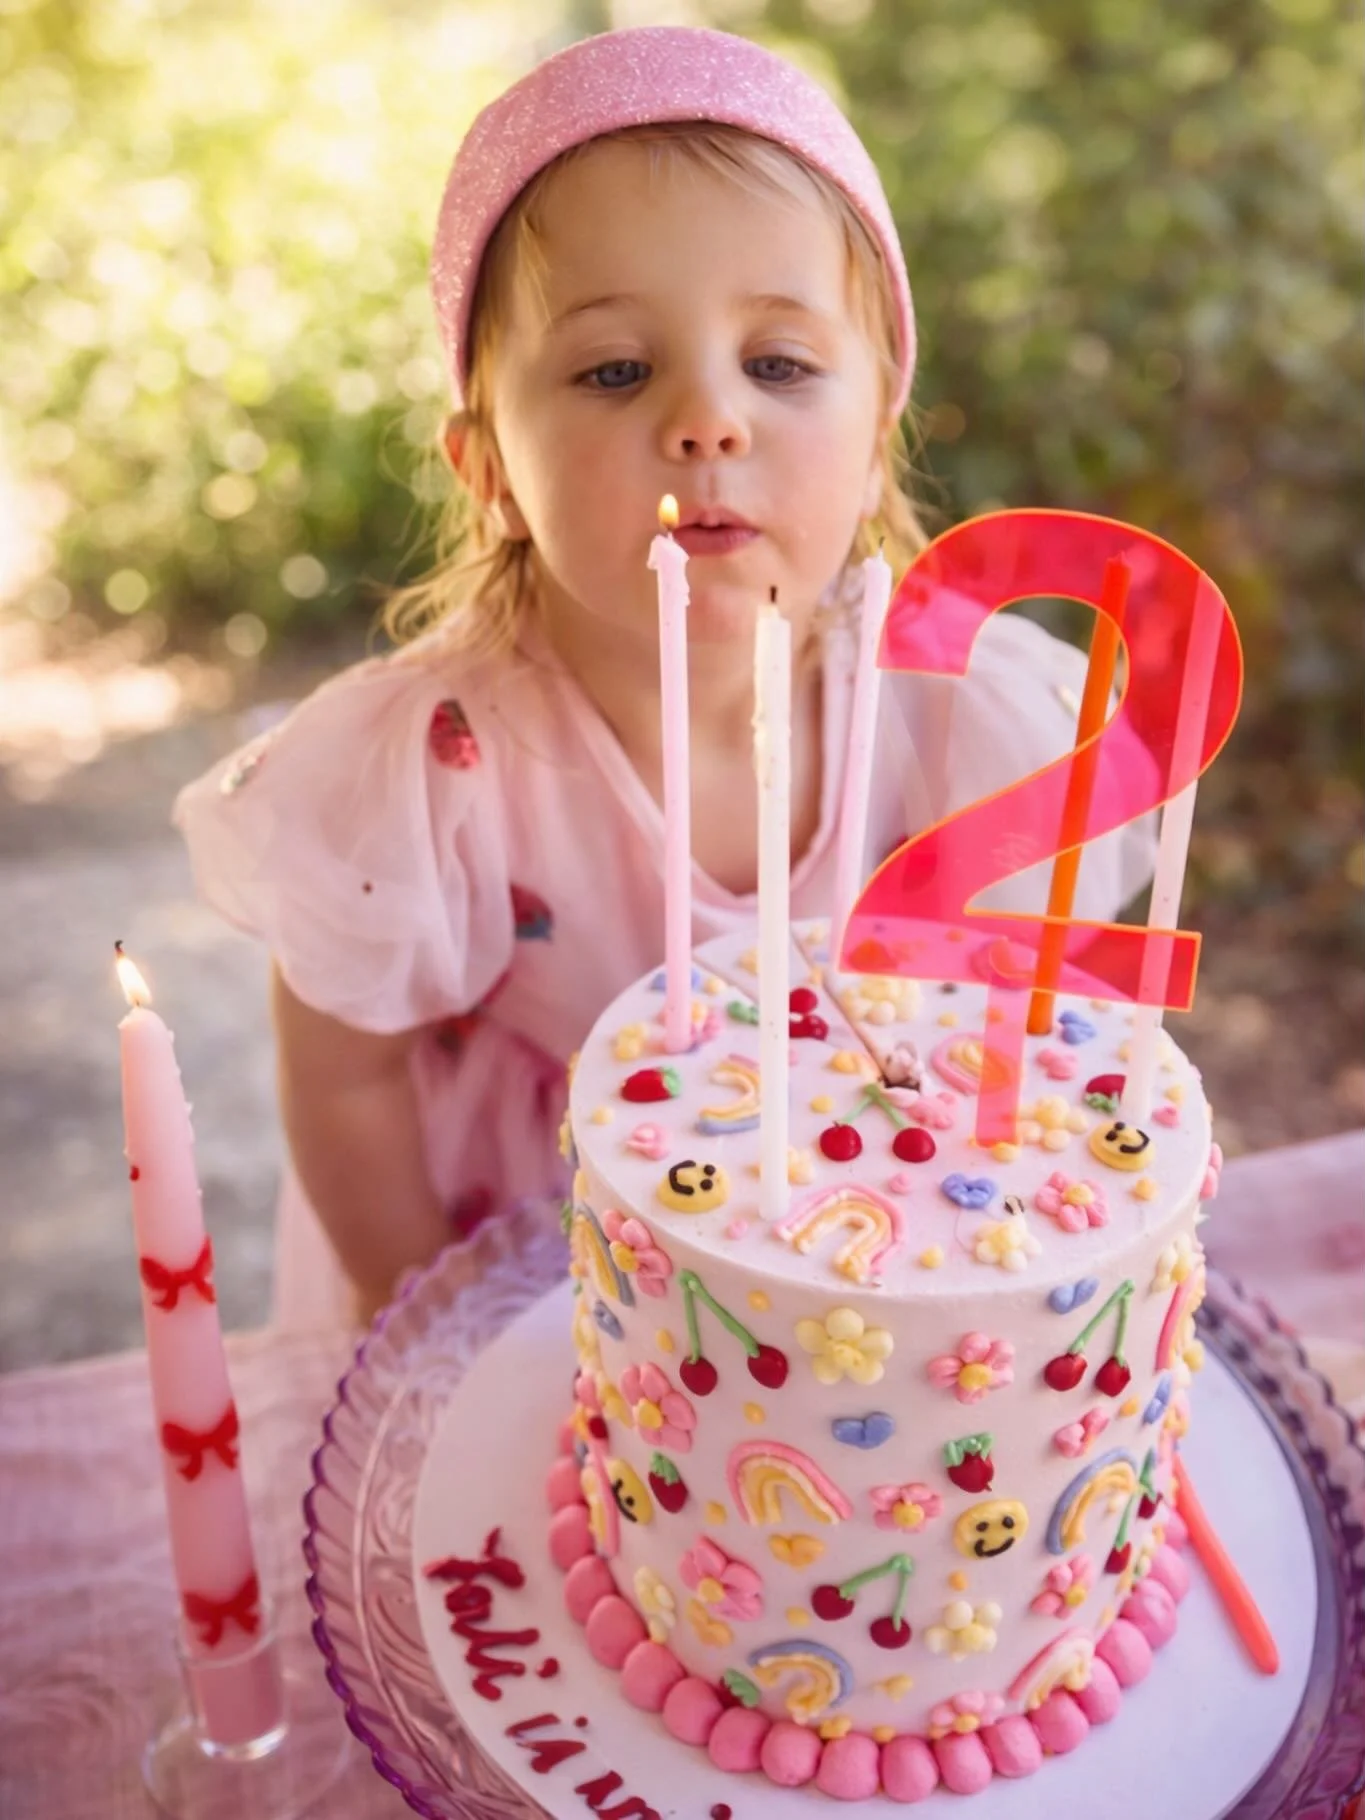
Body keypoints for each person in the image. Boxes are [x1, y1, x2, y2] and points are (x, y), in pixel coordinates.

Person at [175, 26, 1155, 1330]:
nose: (707, 420)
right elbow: (346, 1078)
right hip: (537, 1264)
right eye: (615, 370)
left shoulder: (956, 705)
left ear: (875, 445)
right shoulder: (432, 768)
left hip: (868, 1273)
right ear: (488, 473)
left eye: (780, 364)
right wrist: (426, 1310)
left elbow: (1026, 1037)